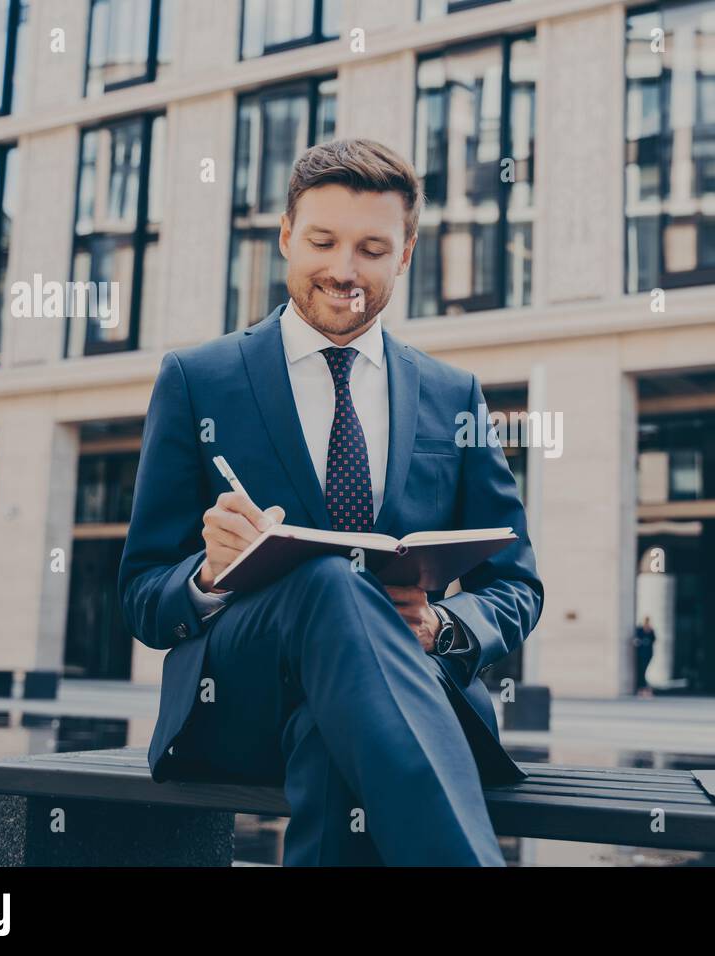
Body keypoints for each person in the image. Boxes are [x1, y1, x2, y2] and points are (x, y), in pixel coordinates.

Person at [118, 139, 544, 866]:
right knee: (325, 582)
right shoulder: (198, 379)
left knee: (331, 729)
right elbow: (141, 595)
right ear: (285, 235)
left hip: (404, 694)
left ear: (405, 254)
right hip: (240, 702)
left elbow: (517, 584)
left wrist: (442, 624)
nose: (344, 270)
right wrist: (206, 574)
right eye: (322, 241)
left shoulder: (453, 396)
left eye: (373, 249)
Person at [633, 616, 657, 698]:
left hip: (648, 654)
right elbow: (636, 640)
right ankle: (642, 689)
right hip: (641, 654)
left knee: (643, 671)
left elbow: (654, 640)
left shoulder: (651, 630)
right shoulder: (640, 629)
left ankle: (644, 689)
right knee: (641, 671)